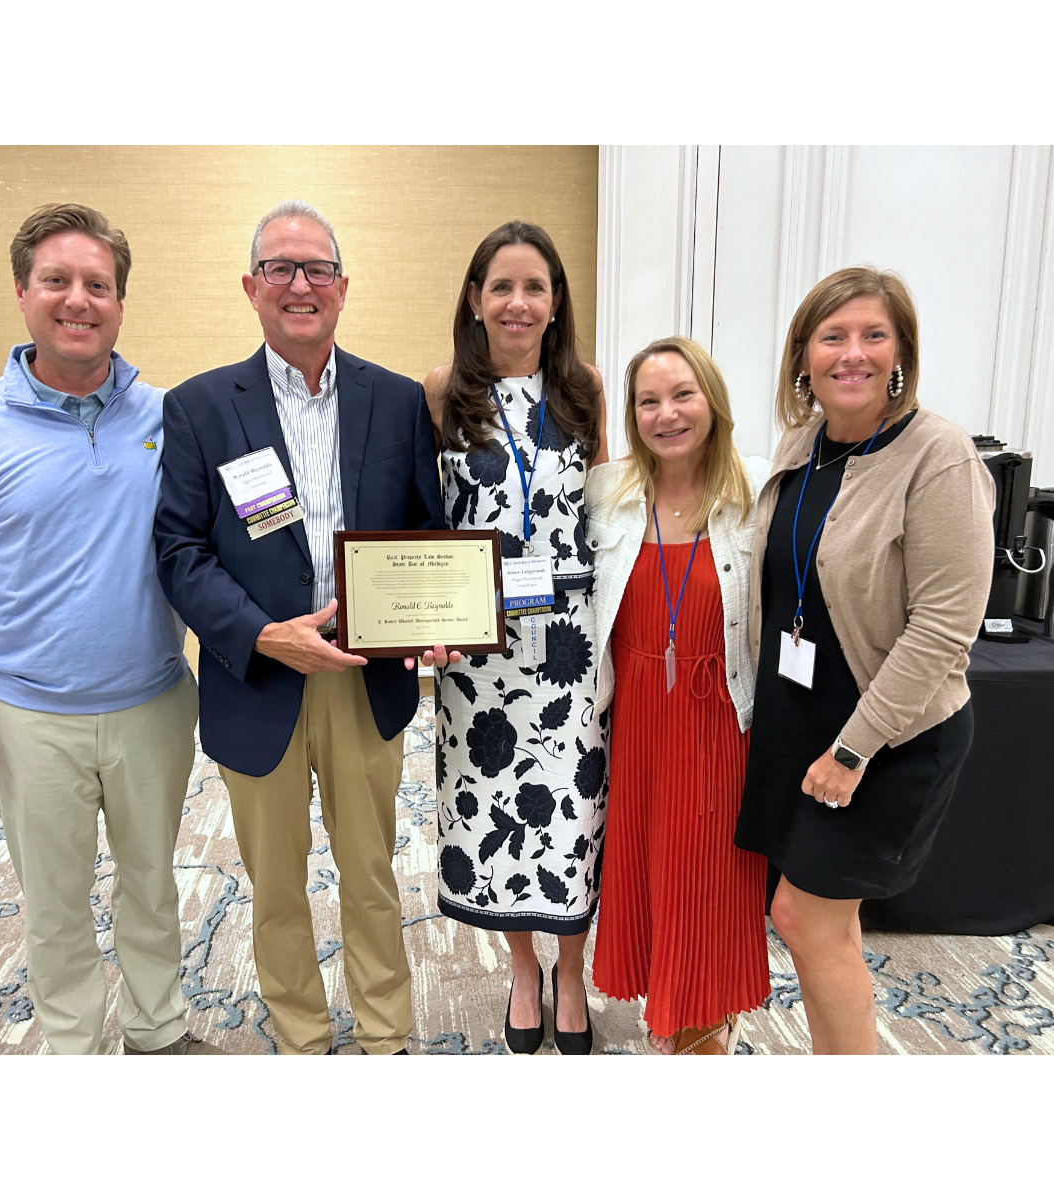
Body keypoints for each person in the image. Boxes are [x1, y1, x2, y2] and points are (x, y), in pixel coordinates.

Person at [0, 202, 216, 1056]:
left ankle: (158, 1031)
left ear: (120, 301)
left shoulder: (170, 418)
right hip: (28, 717)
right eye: (57, 281)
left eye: (98, 285)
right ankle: (73, 1048)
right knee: (55, 896)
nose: (79, 300)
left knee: (153, 884)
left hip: (154, 702)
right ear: (22, 292)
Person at [154, 199, 447, 1056]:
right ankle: (301, 1034)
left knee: (373, 876)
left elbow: (427, 531)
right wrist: (261, 634)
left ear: (343, 288)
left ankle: (387, 1033)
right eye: (279, 268)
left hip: (365, 679)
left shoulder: (394, 401)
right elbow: (177, 550)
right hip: (260, 680)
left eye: (317, 268)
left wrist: (432, 611)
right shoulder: (201, 406)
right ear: (251, 288)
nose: (299, 284)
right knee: (275, 882)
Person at [734, 266, 994, 1055]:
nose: (854, 354)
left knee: (808, 921)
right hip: (800, 716)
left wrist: (853, 748)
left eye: (873, 335)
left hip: (885, 733)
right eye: (833, 336)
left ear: (901, 353)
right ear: (802, 358)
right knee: (807, 919)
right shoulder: (802, 444)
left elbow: (946, 629)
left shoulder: (938, 456)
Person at [422, 220, 608, 1054]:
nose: (518, 302)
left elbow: (606, 516)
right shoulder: (439, 393)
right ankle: (523, 970)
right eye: (501, 286)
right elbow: (425, 524)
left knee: (573, 812)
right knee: (494, 811)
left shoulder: (587, 389)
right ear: (474, 298)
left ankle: (573, 971)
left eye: (536, 287)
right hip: (479, 649)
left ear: (556, 301)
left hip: (571, 641)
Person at [587, 336, 772, 1055]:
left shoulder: (755, 487)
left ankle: (702, 1035)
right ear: (633, 416)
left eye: (682, 394)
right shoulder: (609, 491)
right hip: (635, 717)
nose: (667, 414)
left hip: (717, 717)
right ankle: (671, 1016)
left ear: (713, 400)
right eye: (649, 401)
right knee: (646, 873)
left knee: (705, 884)